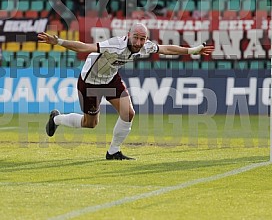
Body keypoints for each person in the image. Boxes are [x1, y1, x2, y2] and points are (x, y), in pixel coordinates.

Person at [37, 23, 214, 160]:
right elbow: (85, 47)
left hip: (111, 79)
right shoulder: (115, 45)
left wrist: (192, 50)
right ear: (128, 35)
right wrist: (58, 41)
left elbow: (166, 49)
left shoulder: (144, 46)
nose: (138, 43)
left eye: (142, 39)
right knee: (90, 123)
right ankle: (56, 119)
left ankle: (113, 151)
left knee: (128, 112)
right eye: (136, 38)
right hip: (90, 81)